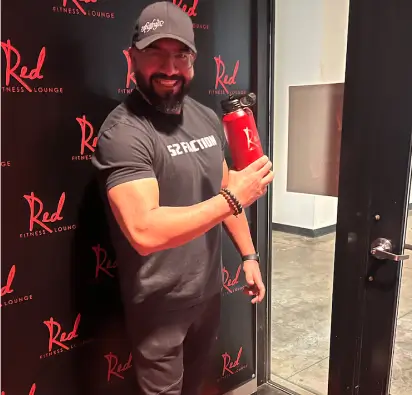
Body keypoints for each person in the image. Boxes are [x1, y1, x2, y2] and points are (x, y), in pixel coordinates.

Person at [91, 1, 274, 394]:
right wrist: (232, 198)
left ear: (193, 60)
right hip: (159, 306)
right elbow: (143, 230)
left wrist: (249, 255)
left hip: (207, 295)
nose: (169, 69)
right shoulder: (123, 132)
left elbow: (226, 191)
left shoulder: (205, 116)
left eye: (180, 56)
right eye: (155, 53)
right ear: (132, 58)